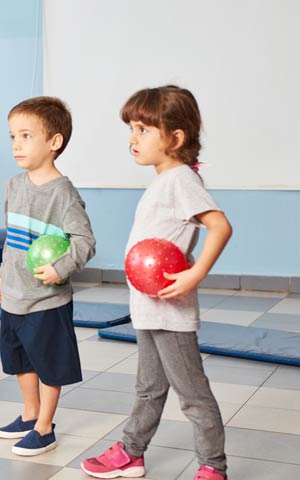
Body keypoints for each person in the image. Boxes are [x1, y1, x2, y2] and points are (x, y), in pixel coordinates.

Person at [81, 86, 233, 480]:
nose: (133, 138)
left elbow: (220, 226)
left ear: (175, 138)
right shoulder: (164, 181)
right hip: (150, 308)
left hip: (170, 312)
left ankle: (212, 468)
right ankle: (132, 452)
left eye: (143, 130)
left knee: (193, 394)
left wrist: (196, 272)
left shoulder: (181, 179)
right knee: (149, 389)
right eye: (132, 129)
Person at [0, 96, 96, 456]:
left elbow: (84, 242)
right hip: (16, 294)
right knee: (20, 358)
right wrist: (3, 276)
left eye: (26, 135)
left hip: (47, 299)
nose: (17, 144)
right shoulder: (13, 186)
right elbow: (11, 241)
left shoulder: (64, 195)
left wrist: (60, 268)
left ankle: (45, 426)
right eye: (12, 137)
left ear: (54, 143)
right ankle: (29, 412)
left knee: (49, 362)